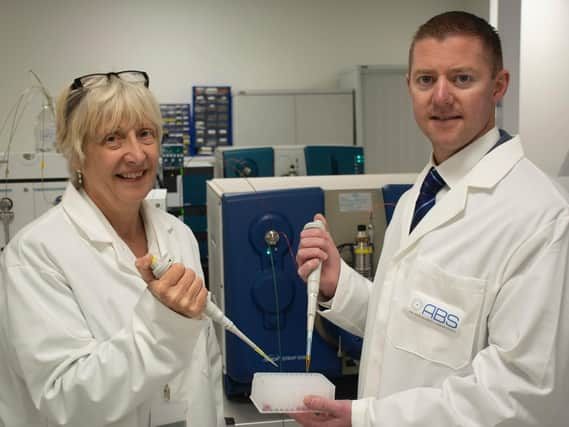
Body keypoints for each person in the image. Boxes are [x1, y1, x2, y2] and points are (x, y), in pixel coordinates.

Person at [293, 11, 569, 427]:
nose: (440, 97)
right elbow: (408, 325)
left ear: (498, 87)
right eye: (426, 80)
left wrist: (367, 417)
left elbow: (522, 393)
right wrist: (339, 285)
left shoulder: (540, 218)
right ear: (409, 86)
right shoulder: (418, 197)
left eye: (461, 79)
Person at [0, 71, 225, 426]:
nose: (136, 154)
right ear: (77, 154)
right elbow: (66, 399)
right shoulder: (35, 254)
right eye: (112, 139)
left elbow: (206, 365)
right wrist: (164, 324)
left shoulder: (177, 235)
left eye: (145, 134)